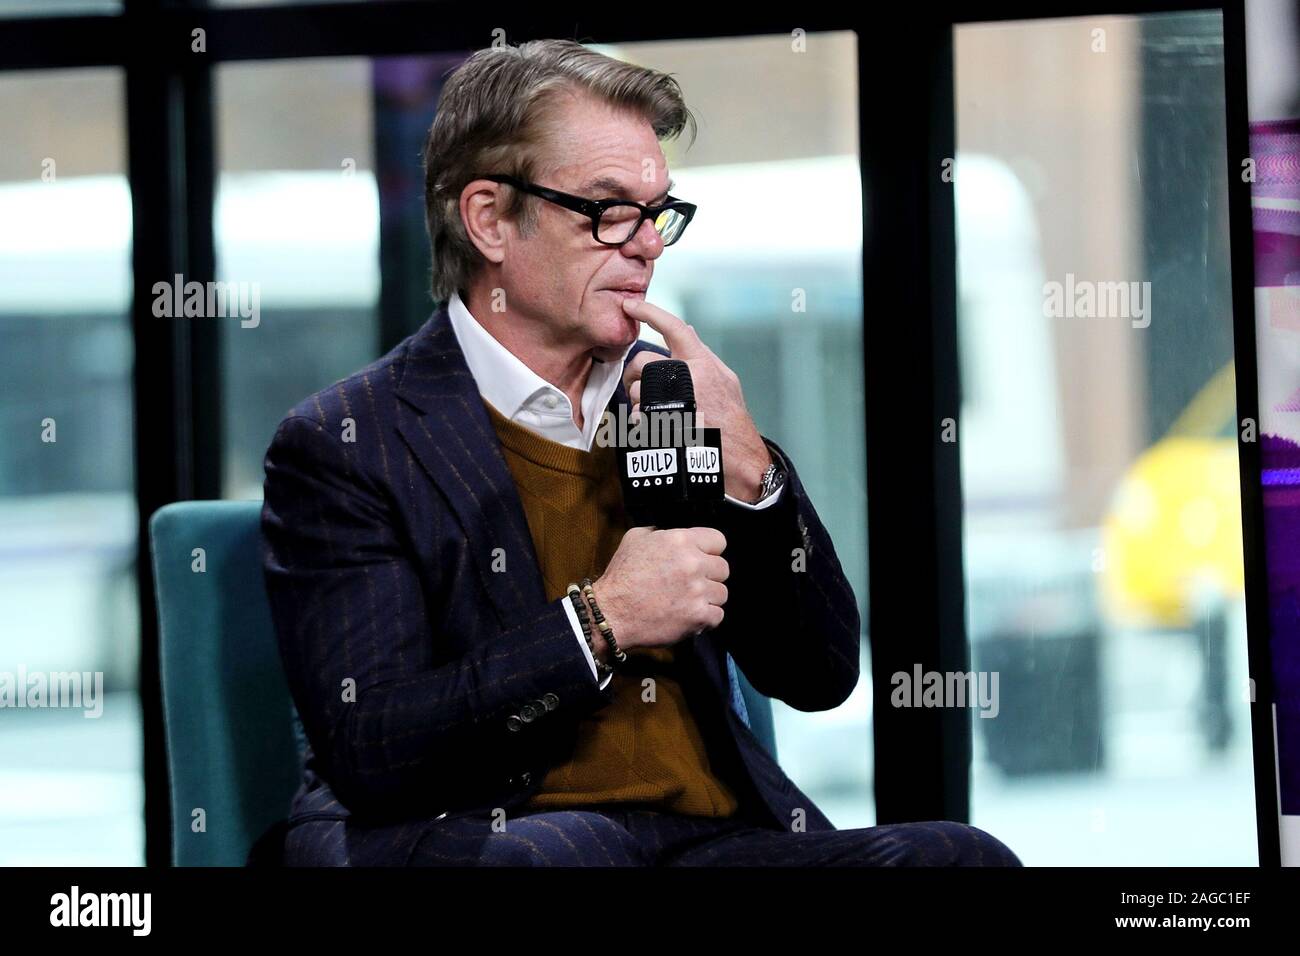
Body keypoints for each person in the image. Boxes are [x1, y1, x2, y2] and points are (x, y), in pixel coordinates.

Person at [260, 38, 1022, 867]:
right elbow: (373, 749)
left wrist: (752, 474)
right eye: (608, 210)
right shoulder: (351, 440)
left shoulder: (668, 405)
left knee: (957, 855)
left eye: (657, 212)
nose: (649, 245)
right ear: (488, 220)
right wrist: (603, 621)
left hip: (710, 843)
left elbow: (821, 675)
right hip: (498, 835)